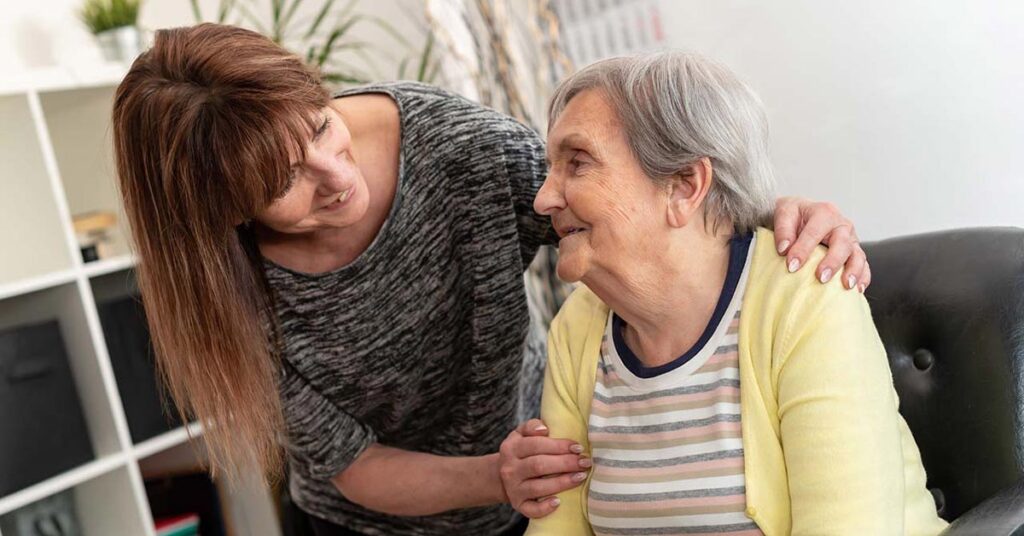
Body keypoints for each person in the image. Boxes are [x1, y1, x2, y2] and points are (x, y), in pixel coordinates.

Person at [112, 24, 871, 536]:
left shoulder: (454, 150)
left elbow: (624, 203)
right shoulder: (225, 290)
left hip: (531, 498)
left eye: (319, 127)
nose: (335, 175)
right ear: (224, 213)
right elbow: (354, 464)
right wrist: (496, 477)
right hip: (368, 522)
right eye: (285, 181)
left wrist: (775, 212)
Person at [524, 51, 947, 535]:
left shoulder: (804, 298)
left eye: (577, 164)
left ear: (685, 186)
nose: (544, 198)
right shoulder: (577, 330)